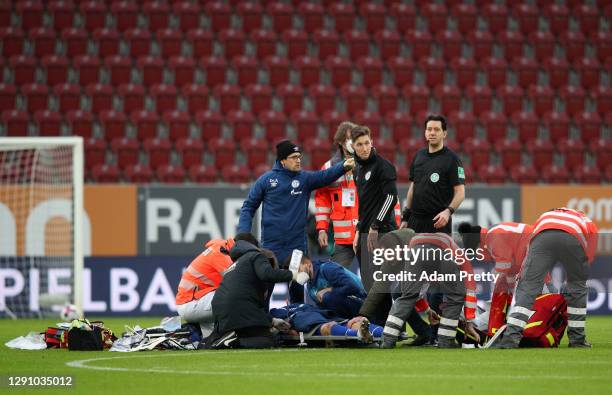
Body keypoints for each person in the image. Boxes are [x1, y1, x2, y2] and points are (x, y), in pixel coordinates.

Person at [238, 139, 355, 303]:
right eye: (293, 157)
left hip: (297, 249)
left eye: (299, 156)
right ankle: (262, 325)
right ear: (282, 161)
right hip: (271, 248)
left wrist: (343, 166)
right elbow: (248, 207)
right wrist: (243, 235)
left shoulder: (304, 179)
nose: (298, 160)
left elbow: (324, 176)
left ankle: (296, 326)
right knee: (264, 294)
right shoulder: (266, 180)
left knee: (298, 294)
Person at [492, 208, 598, 349]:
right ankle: (577, 341)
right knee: (577, 288)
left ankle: (510, 340)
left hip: (543, 236)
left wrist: (526, 275)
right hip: (573, 237)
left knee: (528, 288)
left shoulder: (545, 215)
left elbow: (531, 243)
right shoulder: (588, 223)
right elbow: (589, 256)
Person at [380, 232, 479, 349]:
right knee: (455, 297)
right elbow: (470, 291)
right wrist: (469, 322)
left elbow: (417, 291)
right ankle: (445, 341)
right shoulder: (459, 255)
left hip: (415, 250)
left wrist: (427, 310)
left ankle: (387, 339)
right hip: (440, 251)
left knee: (407, 296)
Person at [210, 240, 307, 348]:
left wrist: (272, 321)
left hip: (220, 313)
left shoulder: (236, 265)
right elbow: (267, 273)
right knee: (269, 341)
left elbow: (249, 302)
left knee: (252, 334)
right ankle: (233, 342)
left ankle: (223, 340)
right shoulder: (256, 256)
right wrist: (294, 275)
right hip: (238, 308)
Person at [358, 228, 436, 345]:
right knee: (398, 292)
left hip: (438, 270)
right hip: (421, 275)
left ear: (399, 250)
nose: (389, 260)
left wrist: (427, 308)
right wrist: (363, 315)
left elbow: (414, 291)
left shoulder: (417, 253)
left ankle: (437, 337)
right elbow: (378, 288)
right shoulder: (390, 255)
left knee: (437, 296)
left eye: (391, 256)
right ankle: (425, 333)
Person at [175, 233, 260, 338]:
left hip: (195, 301)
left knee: (211, 341)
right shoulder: (220, 254)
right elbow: (239, 283)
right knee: (235, 298)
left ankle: (191, 334)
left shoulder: (222, 250)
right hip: (191, 303)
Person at [350, 125, 400, 291]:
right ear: (353, 147)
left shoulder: (383, 166)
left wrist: (375, 225)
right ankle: (380, 318)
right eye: (359, 145)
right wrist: (359, 229)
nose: (364, 148)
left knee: (380, 285)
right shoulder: (357, 169)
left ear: (372, 142)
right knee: (369, 284)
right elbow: (363, 204)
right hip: (365, 232)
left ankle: (389, 317)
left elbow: (391, 198)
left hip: (382, 231)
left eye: (367, 143)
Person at [400, 114, 465, 235]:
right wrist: (406, 217)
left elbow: (460, 193)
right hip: (415, 221)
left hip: (438, 221)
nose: (432, 133)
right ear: (425, 133)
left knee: (436, 254)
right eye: (429, 129)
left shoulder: (452, 159)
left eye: (436, 129)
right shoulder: (418, 156)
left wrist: (448, 212)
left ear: (444, 134)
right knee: (415, 254)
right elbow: (412, 188)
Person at [314, 121, 359, 268]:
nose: (352, 142)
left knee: (373, 282)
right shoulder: (328, 168)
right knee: (335, 279)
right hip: (342, 241)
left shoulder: (368, 165)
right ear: (340, 141)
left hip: (365, 236)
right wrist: (322, 229)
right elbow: (322, 202)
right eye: (348, 138)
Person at [295, 254, 367, 319]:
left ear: (308, 263)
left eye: (298, 270)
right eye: (295, 274)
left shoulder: (327, 269)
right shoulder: (309, 287)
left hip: (362, 303)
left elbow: (353, 287)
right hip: (343, 310)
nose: (297, 275)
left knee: (327, 297)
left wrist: (330, 289)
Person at [270, 303, 380, 344]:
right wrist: (290, 330)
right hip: (310, 324)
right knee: (328, 327)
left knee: (357, 322)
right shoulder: (277, 311)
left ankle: (386, 333)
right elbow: (281, 325)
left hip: (325, 317)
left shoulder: (303, 305)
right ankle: (360, 335)